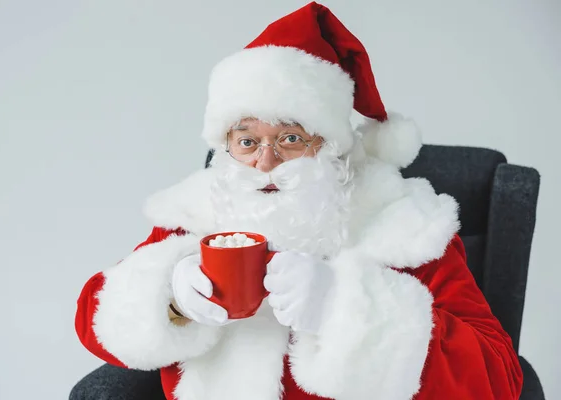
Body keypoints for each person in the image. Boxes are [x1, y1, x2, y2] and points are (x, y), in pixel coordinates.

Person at [74, 2, 523, 399]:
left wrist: (343, 307)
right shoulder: (196, 213)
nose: (265, 162)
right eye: (247, 141)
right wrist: (170, 298)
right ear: (226, 147)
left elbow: (498, 379)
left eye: (290, 137)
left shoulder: (401, 224)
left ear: (332, 146)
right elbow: (94, 317)